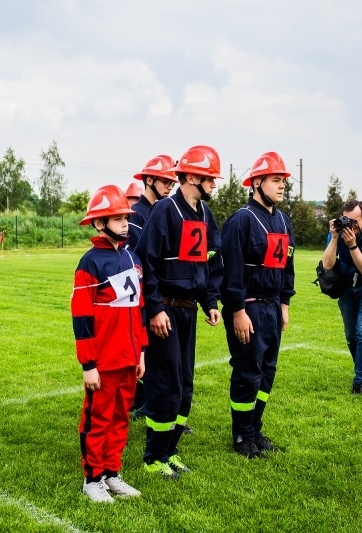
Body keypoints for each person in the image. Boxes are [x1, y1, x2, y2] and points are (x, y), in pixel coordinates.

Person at [133, 145, 224, 479]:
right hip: (165, 314)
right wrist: (154, 308)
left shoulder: (203, 215)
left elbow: (208, 261)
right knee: (166, 384)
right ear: (190, 177)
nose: (214, 185)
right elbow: (146, 264)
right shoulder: (164, 212)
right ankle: (153, 457)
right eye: (209, 178)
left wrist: (210, 302)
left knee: (185, 384)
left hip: (188, 313)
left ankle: (170, 452)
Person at [71, 185, 146, 503]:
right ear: (100, 224)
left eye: (125, 218)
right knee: (97, 419)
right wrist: (88, 365)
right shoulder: (89, 263)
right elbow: (81, 317)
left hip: (129, 358)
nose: (125, 223)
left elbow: (138, 309)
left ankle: (113, 474)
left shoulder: (132, 257)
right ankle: (93, 479)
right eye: (117, 219)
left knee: (120, 417)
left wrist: (141, 350)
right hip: (102, 362)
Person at [220, 152, 296, 458]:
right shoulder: (241, 221)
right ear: (256, 183)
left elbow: (287, 265)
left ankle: (255, 429)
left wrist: (285, 304)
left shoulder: (282, 220)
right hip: (248, 308)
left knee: (267, 371)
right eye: (276, 180)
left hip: (273, 307)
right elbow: (230, 270)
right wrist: (238, 310)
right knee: (248, 372)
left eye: (283, 181)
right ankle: (241, 436)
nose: (281, 187)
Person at [126, 154, 178, 421]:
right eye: (164, 180)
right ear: (148, 180)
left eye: (172, 181)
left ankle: (150, 405)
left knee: (160, 358)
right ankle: (149, 407)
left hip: (161, 295)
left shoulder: (168, 212)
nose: (170, 186)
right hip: (143, 296)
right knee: (149, 356)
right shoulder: (136, 216)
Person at [321, 200, 362, 395]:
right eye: (346, 220)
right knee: (351, 336)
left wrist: (351, 246)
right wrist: (334, 238)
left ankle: (359, 381)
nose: (350, 225)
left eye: (355, 221)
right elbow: (327, 265)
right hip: (348, 283)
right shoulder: (338, 233)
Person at [127, 154, 178, 246]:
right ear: (149, 180)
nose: (170, 188)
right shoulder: (135, 215)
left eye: (172, 184)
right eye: (166, 182)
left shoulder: (165, 213)